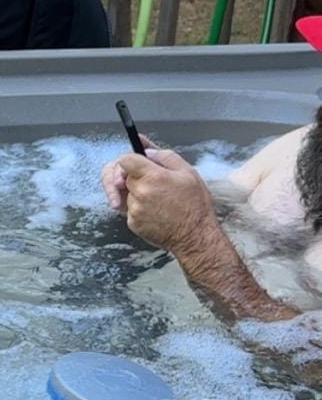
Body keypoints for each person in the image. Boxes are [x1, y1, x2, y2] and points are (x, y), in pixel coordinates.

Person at [102, 114, 322, 325]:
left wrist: (190, 236)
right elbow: (223, 200)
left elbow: (307, 360)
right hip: (143, 312)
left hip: (232, 356)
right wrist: (163, 189)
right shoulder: (306, 146)